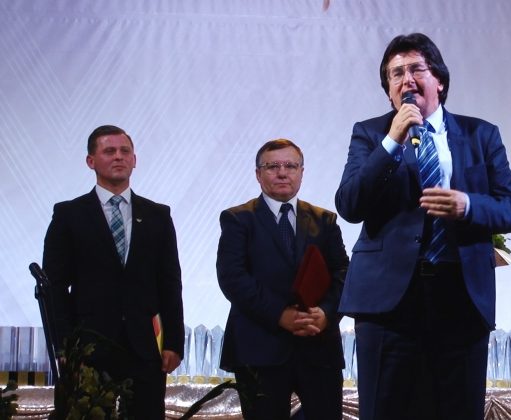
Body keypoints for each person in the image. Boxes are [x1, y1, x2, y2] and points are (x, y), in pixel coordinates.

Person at [335, 33, 511, 419]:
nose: (407, 79)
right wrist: (391, 141)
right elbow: (350, 205)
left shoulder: (480, 134)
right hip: (388, 303)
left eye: (416, 69)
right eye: (396, 74)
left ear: (438, 80)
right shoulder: (369, 134)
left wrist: (467, 205)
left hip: (460, 297)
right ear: (389, 89)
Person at [43, 125, 185, 418]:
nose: (119, 157)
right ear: (91, 161)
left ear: (134, 159)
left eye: (125, 151)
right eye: (109, 151)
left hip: (145, 348)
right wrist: (64, 346)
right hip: (88, 348)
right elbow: (54, 286)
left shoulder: (158, 215)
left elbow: (170, 283)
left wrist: (174, 342)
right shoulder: (69, 214)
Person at [216, 139, 349, 420]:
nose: (282, 172)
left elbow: (343, 274)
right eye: (272, 166)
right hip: (259, 347)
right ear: (258, 174)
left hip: (318, 346)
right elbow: (232, 278)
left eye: (290, 166)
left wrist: (326, 314)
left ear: (302, 172)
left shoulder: (325, 220)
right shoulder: (237, 219)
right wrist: (280, 315)